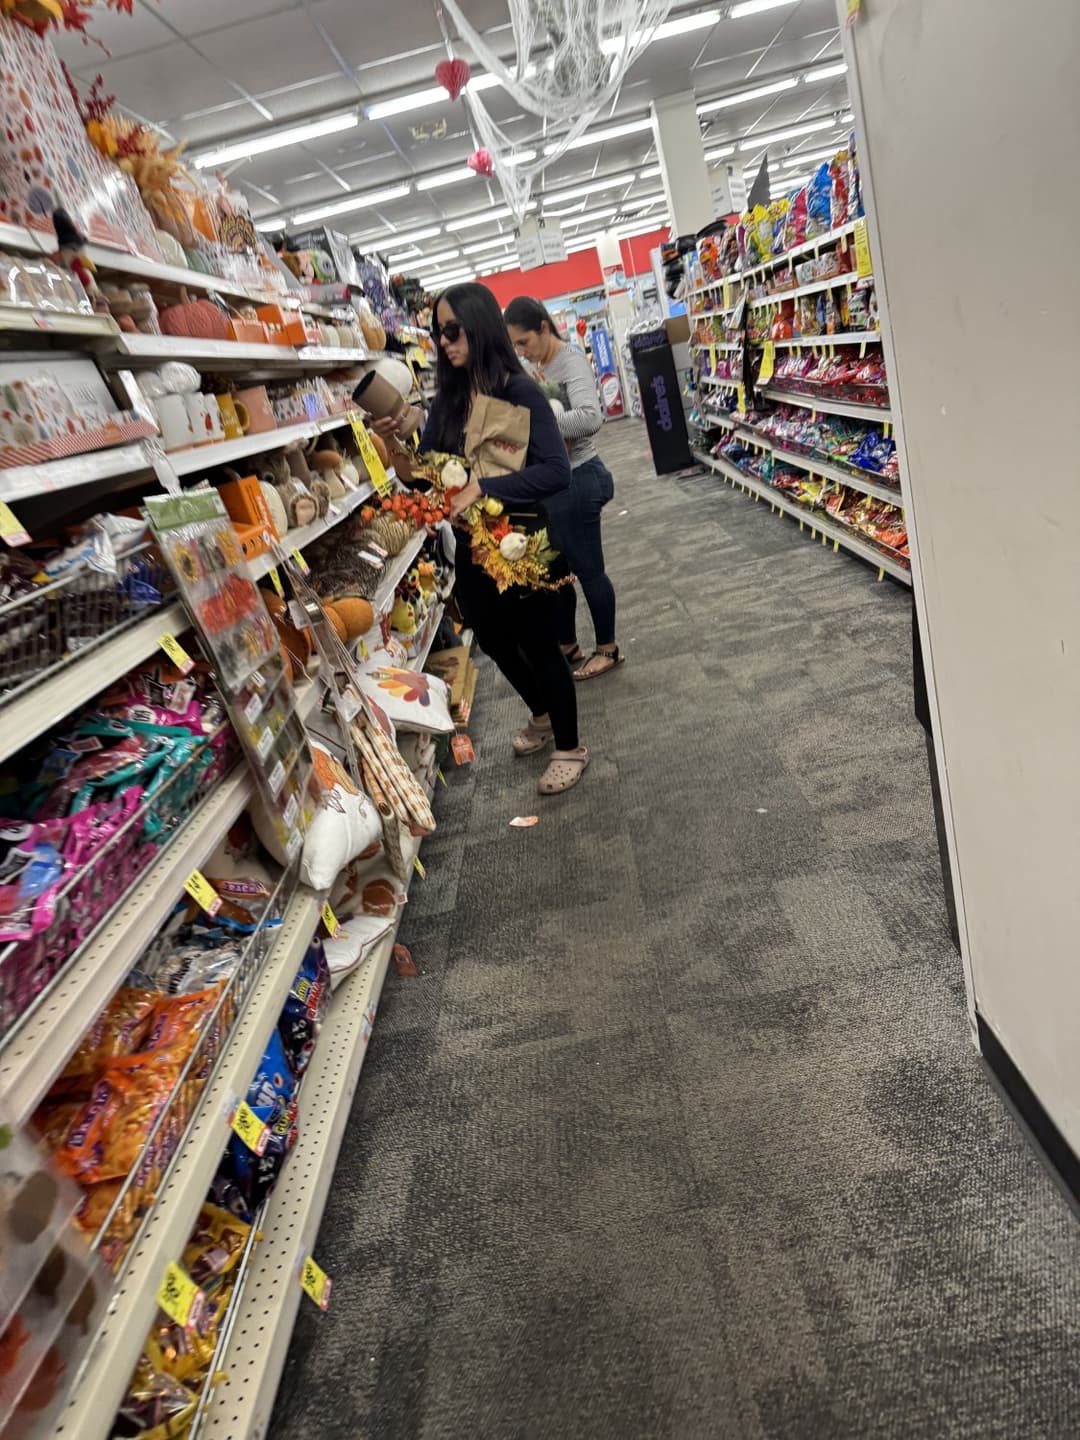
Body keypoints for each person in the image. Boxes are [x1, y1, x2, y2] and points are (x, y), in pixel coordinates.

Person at [417, 283, 588, 795]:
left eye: (453, 330)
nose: (444, 342)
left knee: (539, 642)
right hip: (471, 546)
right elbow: (428, 461)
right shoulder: (448, 398)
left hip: (521, 541)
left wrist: (482, 487)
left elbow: (556, 471)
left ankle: (570, 746)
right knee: (490, 638)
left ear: (479, 325)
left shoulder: (518, 389)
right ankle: (540, 711)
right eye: (437, 332)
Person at [504, 296, 622, 681]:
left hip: (580, 475)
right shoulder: (538, 368)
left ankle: (608, 648)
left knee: (590, 570)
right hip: (555, 483)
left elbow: (591, 417)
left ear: (543, 327)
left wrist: (542, 427)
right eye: (515, 347)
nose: (522, 352)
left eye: (524, 342)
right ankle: (568, 645)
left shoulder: (569, 360)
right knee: (559, 572)